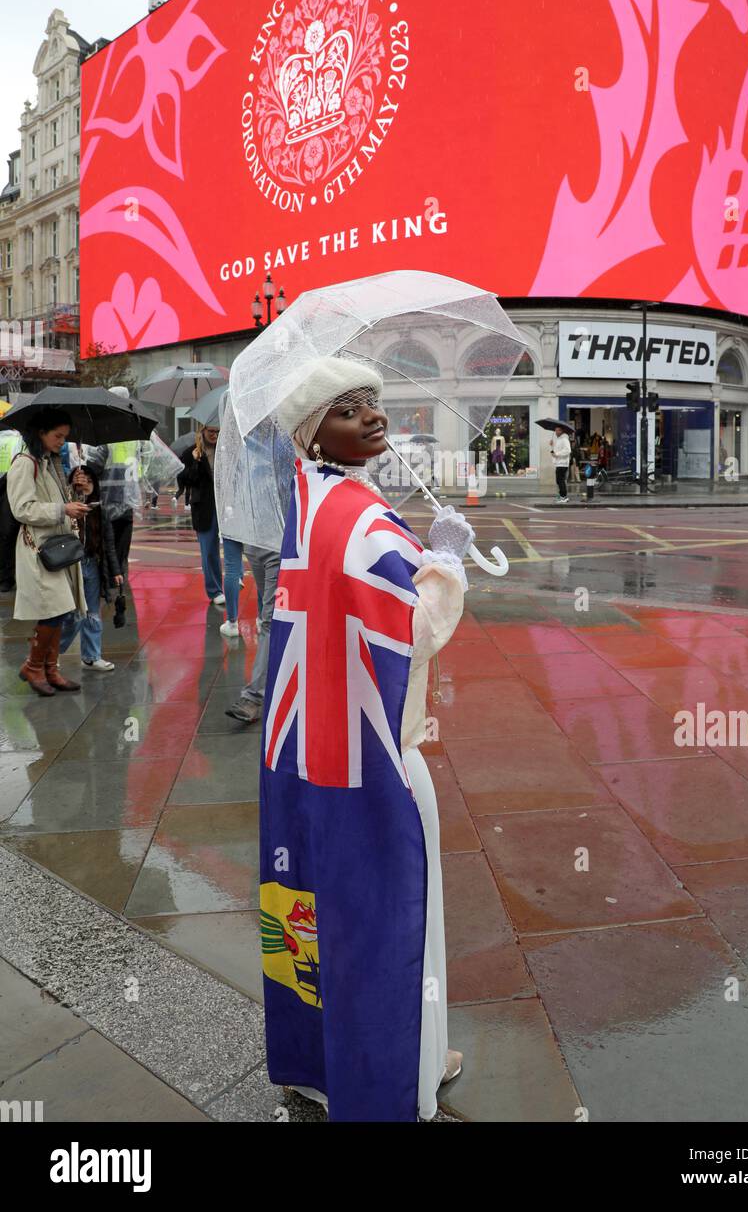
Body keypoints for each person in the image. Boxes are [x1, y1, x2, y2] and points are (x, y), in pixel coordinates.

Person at [259, 356, 470, 1121]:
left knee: (313, 912)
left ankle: (320, 1066)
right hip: (376, 754)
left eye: (374, 404)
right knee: (393, 919)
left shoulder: (308, 502)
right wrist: (444, 560)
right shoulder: (362, 517)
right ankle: (400, 1073)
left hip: (307, 752)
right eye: (349, 409)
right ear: (316, 431)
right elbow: (414, 632)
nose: (372, 418)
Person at [6, 408, 89, 696]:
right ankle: (34, 666)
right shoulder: (24, 464)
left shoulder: (50, 463)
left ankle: (50, 669)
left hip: (57, 549)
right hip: (38, 550)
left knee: (61, 610)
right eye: (58, 436)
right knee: (53, 611)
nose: (62, 442)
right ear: (40, 432)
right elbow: (23, 508)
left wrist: (77, 493)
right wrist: (63, 508)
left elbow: (55, 502)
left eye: (65, 437)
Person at [58, 465, 123, 671]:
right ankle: (50, 654)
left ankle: (92, 656)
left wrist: (116, 570)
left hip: (92, 564)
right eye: (81, 479)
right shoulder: (67, 503)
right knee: (72, 615)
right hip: (71, 565)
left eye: (89, 480)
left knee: (92, 613)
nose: (85, 483)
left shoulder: (100, 509)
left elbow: (109, 542)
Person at [85, 386, 141, 578]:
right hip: (128, 501)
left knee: (107, 544)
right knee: (121, 547)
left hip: (107, 499)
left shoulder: (104, 432)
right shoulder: (134, 433)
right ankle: (120, 580)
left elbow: (93, 466)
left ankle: (109, 581)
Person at [225, 545, 281, 721]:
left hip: (279, 546)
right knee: (272, 616)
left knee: (269, 620)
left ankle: (253, 696)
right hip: (255, 546)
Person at [178, 424, 225, 605]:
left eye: (217, 432)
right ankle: (214, 590)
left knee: (233, 545)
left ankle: (234, 578)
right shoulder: (191, 452)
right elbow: (184, 480)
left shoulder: (225, 449)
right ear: (202, 431)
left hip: (225, 504)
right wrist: (196, 463)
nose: (214, 435)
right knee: (209, 550)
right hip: (204, 506)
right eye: (211, 431)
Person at [550, 425, 572, 503]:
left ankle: (564, 497)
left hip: (563, 463)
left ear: (562, 431)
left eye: (558, 430)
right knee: (558, 480)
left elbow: (568, 450)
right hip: (559, 463)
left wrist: (557, 454)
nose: (556, 432)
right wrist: (552, 445)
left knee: (560, 480)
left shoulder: (564, 439)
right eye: (555, 430)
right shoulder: (559, 439)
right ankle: (561, 496)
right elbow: (555, 451)